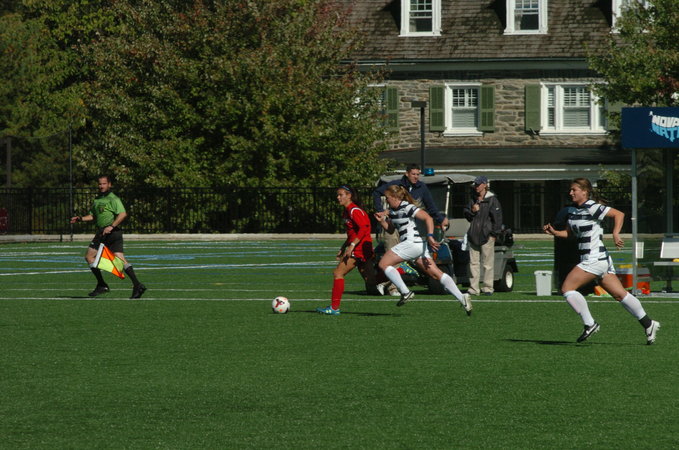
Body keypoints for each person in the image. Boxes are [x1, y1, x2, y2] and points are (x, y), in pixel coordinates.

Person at [543, 178, 660, 344]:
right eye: (570, 190)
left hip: (594, 258)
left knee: (567, 289)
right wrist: (555, 232)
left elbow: (619, 214)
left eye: (574, 190)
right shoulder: (572, 211)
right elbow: (570, 234)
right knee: (620, 295)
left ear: (585, 192)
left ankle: (589, 323)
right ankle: (648, 324)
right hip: (599, 259)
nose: (571, 193)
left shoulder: (592, 207)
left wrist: (615, 234)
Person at [375, 185, 472, 315]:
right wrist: (382, 221)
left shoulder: (407, 207)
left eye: (387, 198)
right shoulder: (393, 210)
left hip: (411, 243)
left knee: (383, 264)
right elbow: (391, 230)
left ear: (394, 197)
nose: (386, 200)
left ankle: (405, 292)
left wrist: (430, 236)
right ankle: (462, 297)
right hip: (418, 245)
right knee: (436, 274)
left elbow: (428, 218)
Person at [70, 175, 147, 299]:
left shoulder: (114, 199)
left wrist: (111, 226)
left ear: (109, 184)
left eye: (104, 184)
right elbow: (93, 216)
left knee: (103, 258)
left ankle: (112, 285)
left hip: (111, 232)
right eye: (100, 184)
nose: (101, 186)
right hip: (103, 232)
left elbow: (123, 214)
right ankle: (128, 285)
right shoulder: (97, 199)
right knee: (98, 258)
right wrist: (80, 218)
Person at [317, 185, 380, 315]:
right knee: (371, 281)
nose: (338, 197)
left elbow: (364, 228)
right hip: (360, 247)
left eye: (341, 195)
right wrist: (344, 246)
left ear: (349, 195)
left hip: (359, 249)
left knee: (338, 273)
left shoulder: (354, 210)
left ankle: (334, 308)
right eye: (337, 195)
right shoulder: (347, 211)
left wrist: (351, 246)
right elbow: (353, 233)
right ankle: (402, 270)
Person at [463, 175, 502, 296]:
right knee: (473, 263)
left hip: (487, 235)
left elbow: (497, 219)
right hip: (473, 234)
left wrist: (494, 234)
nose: (476, 187)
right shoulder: (473, 199)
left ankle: (488, 288)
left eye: (479, 184)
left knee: (487, 263)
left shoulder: (492, 200)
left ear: (485, 185)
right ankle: (473, 288)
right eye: (475, 184)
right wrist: (472, 211)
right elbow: (467, 214)